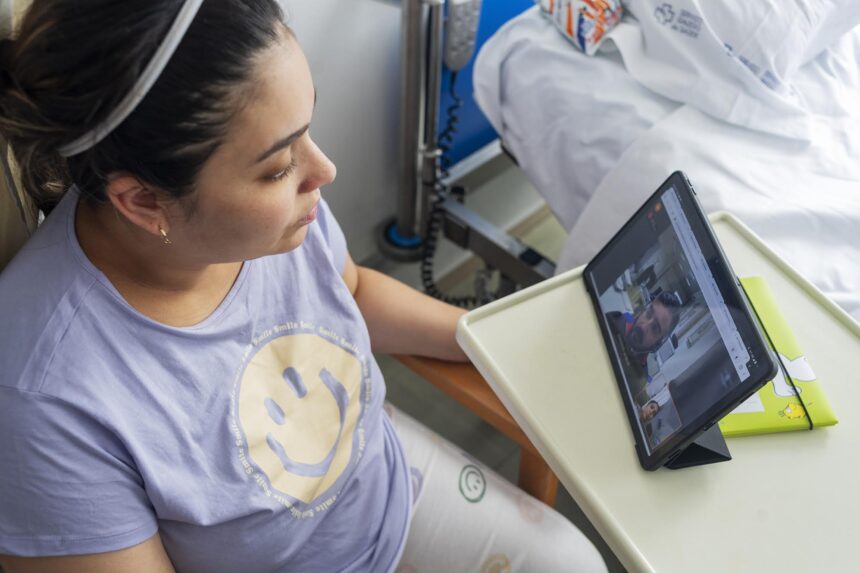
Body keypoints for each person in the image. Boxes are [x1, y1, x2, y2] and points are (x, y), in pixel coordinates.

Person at [0, 2, 607, 572]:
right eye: (277, 168)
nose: (323, 170)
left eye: (305, 131)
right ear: (143, 201)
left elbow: (352, 293)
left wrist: (496, 341)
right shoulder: (46, 400)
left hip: (383, 480)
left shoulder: (278, 215)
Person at [606, 290, 683, 371]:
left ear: (658, 344)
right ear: (643, 311)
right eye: (648, 313)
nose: (643, 327)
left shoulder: (639, 375)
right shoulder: (614, 320)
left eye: (655, 328)